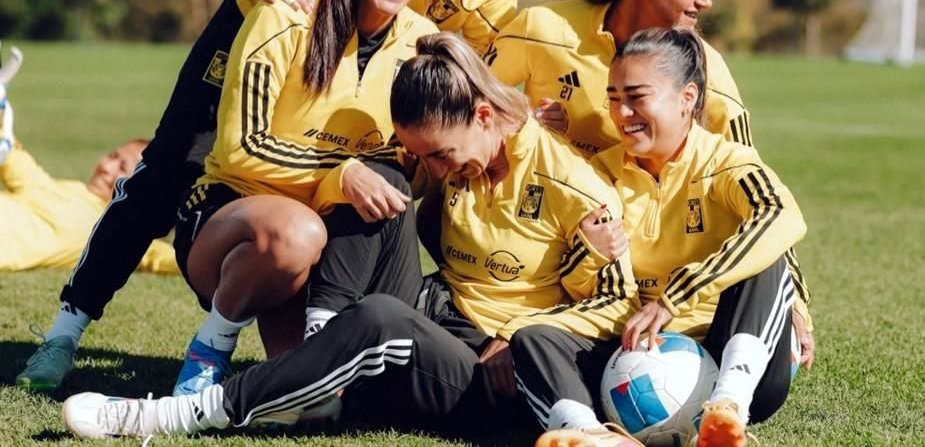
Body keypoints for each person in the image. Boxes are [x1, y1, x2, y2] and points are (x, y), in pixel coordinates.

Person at [16, 0, 552, 392]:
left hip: (369, 69)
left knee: (379, 174)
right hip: (283, 33)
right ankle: (64, 333)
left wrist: (526, 120)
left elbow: (466, 85)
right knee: (171, 169)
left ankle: (314, 335)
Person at [61, 32, 636, 441]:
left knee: (380, 318)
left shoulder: (575, 187)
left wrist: (518, 335)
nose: (433, 170)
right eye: (423, 155)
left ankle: (170, 417)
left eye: (440, 155)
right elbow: (392, 194)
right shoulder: (456, 158)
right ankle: (321, 349)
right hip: (439, 312)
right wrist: (354, 172)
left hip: (488, 365)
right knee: (380, 181)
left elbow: (617, 302)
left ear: (485, 116)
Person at [485, 0, 813, 360]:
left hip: (649, 282)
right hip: (554, 256)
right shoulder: (541, 29)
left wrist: (794, 301)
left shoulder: (707, 72)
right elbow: (467, 120)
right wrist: (525, 129)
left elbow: (759, 195)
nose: (707, 0)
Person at [168, 0, 452, 398]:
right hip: (235, 223)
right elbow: (239, 147)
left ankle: (322, 344)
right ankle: (210, 348)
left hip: (333, 248)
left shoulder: (422, 43)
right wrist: (338, 172)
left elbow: (413, 162)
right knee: (298, 231)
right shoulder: (285, 12)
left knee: (317, 395)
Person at [525, 29, 807, 447]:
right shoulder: (598, 173)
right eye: (614, 97)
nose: (622, 113)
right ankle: (593, 435)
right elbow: (575, 285)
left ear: (687, 98)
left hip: (726, 345)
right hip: (632, 352)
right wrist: (589, 253)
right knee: (534, 338)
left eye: (636, 97)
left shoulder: (726, 161)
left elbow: (780, 216)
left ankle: (726, 410)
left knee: (765, 261)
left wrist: (674, 298)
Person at [0, 78, 176, 275]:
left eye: (122, 168)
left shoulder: (118, 232)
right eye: (112, 156)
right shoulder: (63, 188)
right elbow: (10, 153)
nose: (107, 168)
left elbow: (178, 260)